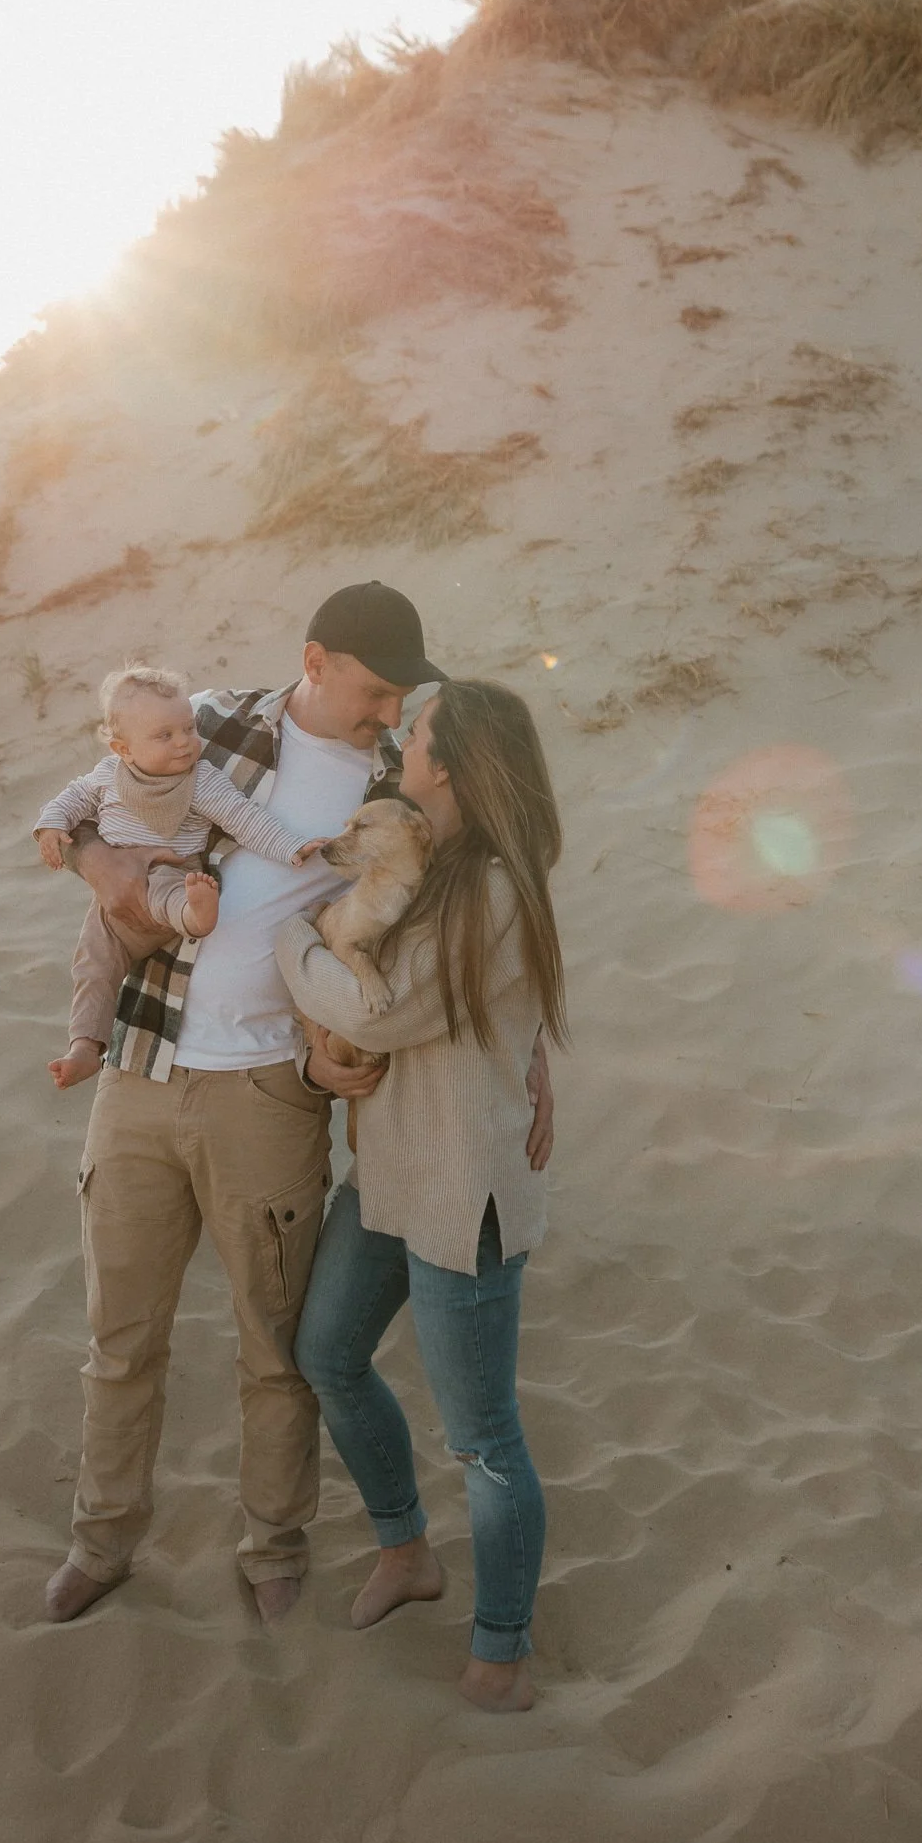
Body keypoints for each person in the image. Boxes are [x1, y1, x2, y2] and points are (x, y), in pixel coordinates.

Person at [44, 584, 556, 1628]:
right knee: (121, 1336)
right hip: (143, 1064)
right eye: (374, 691)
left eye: (401, 701)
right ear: (315, 663)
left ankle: (274, 1547)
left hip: (275, 1088)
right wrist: (112, 876)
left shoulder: (400, 786)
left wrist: (531, 1046)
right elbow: (94, 810)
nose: (387, 715)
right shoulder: (210, 722)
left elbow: (455, 918)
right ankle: (101, 1542)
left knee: (276, 1348)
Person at [278, 677, 566, 1711]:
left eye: (419, 735)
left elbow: (388, 1014)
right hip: (391, 1174)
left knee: (484, 1440)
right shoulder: (433, 865)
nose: (402, 742)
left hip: (464, 1191)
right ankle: (406, 1549)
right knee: (328, 1354)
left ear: (448, 763)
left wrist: (289, 947)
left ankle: (503, 1651)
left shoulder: (491, 886)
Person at [34, 663, 331, 1089]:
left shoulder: (201, 780)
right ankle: (84, 1045)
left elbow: (244, 818)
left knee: (166, 887)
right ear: (123, 749)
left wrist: (290, 848)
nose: (184, 744)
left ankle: (196, 916)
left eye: (188, 729)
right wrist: (50, 827)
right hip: (111, 908)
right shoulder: (107, 776)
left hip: (172, 881)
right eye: (164, 736)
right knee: (93, 965)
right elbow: (71, 798)